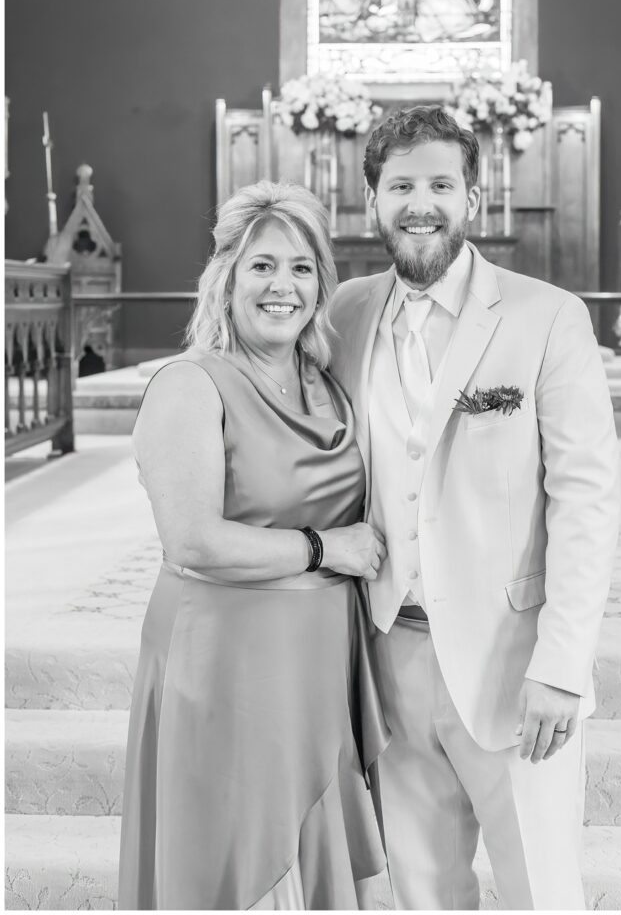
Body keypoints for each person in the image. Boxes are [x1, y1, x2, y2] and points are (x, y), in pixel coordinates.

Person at [329, 105, 620, 910]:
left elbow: (587, 500)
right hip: (389, 651)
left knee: (541, 889)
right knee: (422, 892)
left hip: (513, 661)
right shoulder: (344, 312)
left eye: (439, 184)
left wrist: (562, 666)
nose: (420, 203)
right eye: (400, 186)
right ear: (373, 201)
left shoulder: (546, 316)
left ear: (473, 200)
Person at [118, 180, 389, 911]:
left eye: (302, 268)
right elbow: (194, 542)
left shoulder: (328, 385)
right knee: (235, 863)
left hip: (323, 660)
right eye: (262, 265)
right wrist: (326, 549)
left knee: (316, 856)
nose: (283, 286)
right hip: (228, 661)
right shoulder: (190, 384)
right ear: (226, 277)